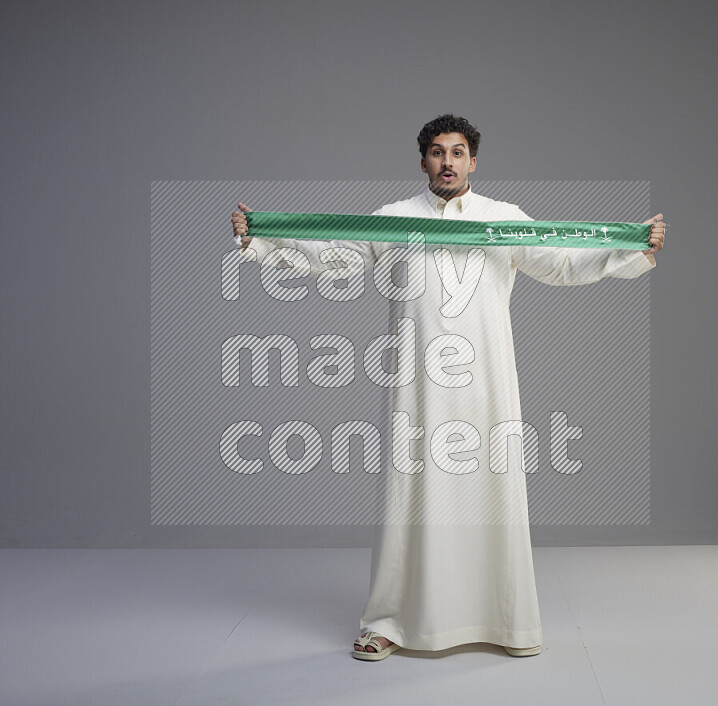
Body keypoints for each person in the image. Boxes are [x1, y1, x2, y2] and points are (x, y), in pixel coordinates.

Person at [231, 114, 665, 661]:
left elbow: (559, 263)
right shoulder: (394, 220)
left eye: (458, 152)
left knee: (491, 492)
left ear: (473, 162)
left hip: (487, 382)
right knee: (409, 499)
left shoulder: (502, 220)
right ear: (422, 163)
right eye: (437, 153)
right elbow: (336, 256)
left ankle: (504, 622)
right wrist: (263, 236)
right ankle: (389, 621)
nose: (448, 162)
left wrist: (631, 247)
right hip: (416, 385)